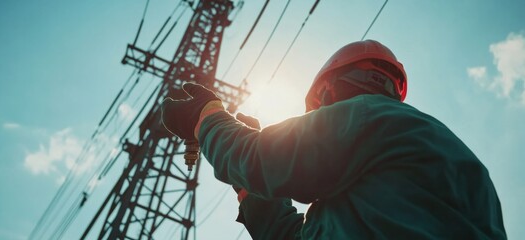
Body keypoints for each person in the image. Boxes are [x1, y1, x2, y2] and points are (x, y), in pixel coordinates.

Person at [161, 40, 506, 239]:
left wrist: (206, 116)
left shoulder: (364, 115)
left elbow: (259, 160)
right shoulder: (465, 170)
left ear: (327, 89)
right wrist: (249, 192)